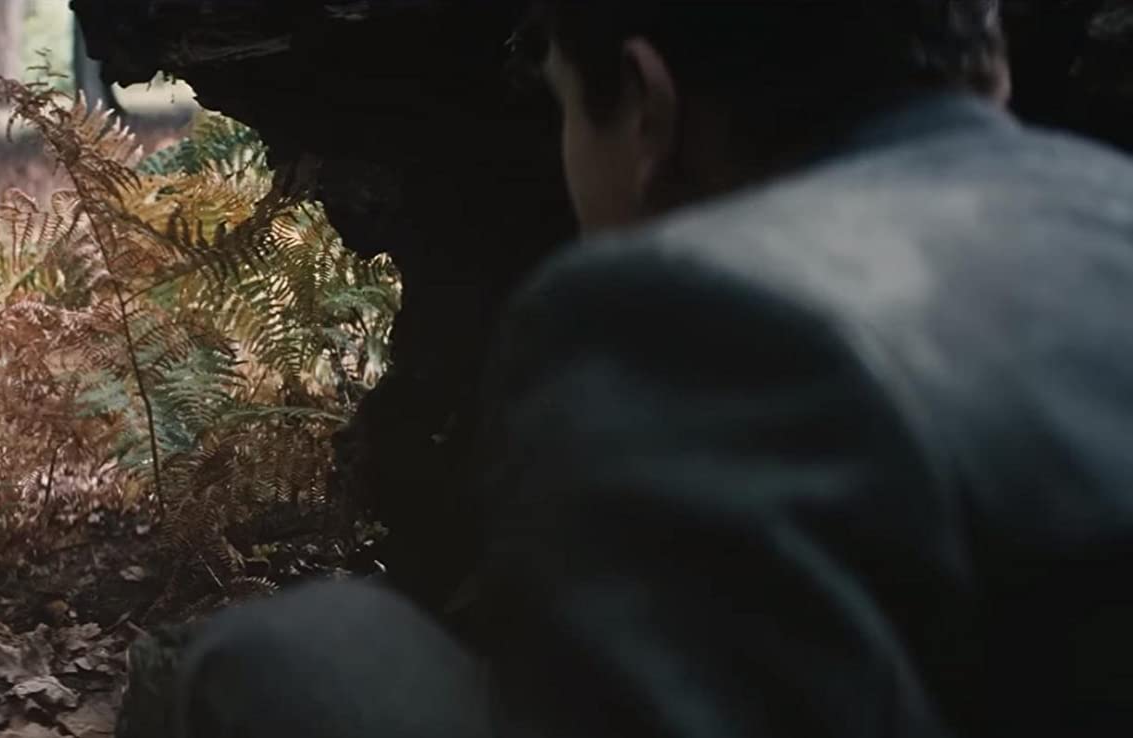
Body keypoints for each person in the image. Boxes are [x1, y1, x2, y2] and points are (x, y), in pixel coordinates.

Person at [158, 1, 1133, 736]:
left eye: (563, 109)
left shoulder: (689, 314)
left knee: (292, 657)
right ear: (988, 64)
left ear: (645, 105)